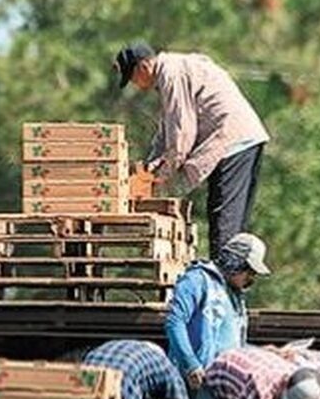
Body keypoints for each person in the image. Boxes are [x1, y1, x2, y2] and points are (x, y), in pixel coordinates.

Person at [113, 41, 270, 257]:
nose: (135, 85)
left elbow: (181, 135)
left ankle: (222, 276)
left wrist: (161, 179)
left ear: (143, 67)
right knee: (233, 229)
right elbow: (166, 131)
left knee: (224, 229)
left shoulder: (171, 74)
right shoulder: (175, 69)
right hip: (246, 139)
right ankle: (233, 274)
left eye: (132, 78)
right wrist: (149, 165)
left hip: (233, 142)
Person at [165, 232, 270, 391]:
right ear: (236, 263)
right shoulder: (197, 279)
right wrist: (191, 364)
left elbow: (234, 342)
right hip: (194, 381)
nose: (252, 279)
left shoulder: (234, 295)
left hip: (223, 384)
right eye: (250, 272)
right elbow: (175, 322)